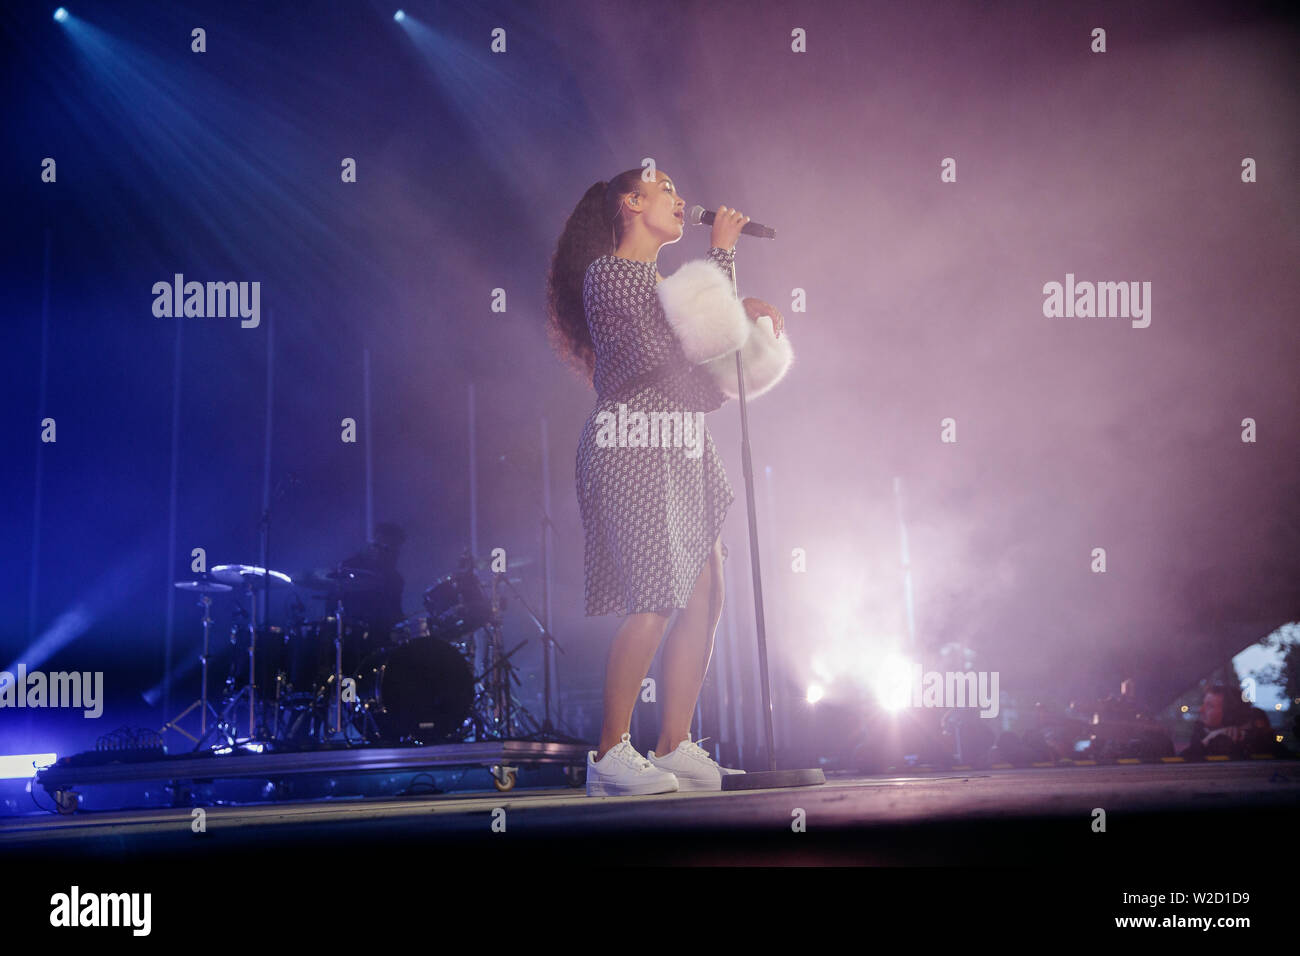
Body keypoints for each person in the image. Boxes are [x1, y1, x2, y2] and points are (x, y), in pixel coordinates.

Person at [546, 167, 793, 795]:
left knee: (707, 591)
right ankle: (607, 754)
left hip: (681, 439)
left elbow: (705, 373)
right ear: (632, 203)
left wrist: (741, 317)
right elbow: (667, 353)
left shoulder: (659, 283)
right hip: (635, 440)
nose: (682, 200)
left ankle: (675, 743)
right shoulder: (610, 274)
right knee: (657, 591)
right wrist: (724, 262)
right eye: (666, 190)